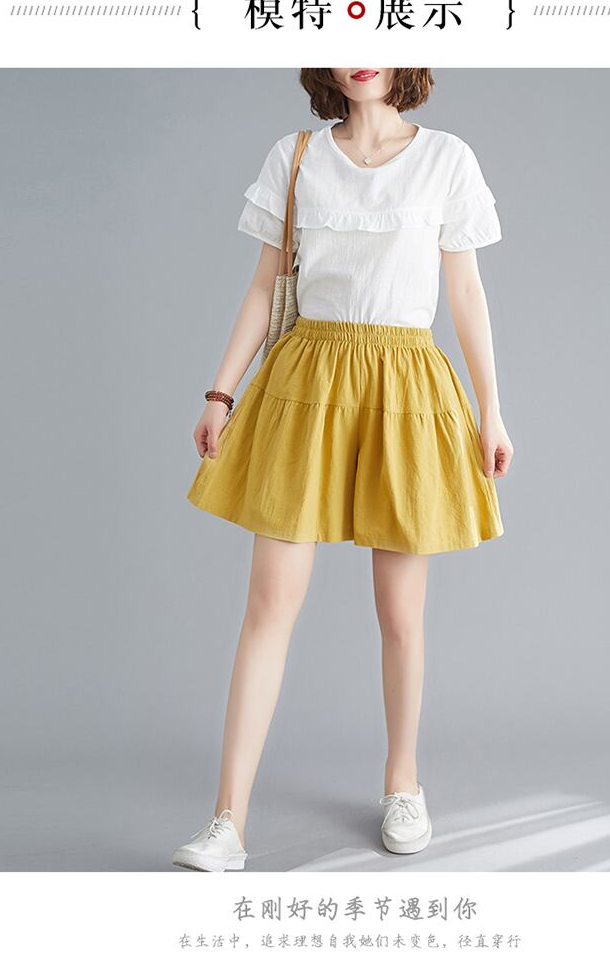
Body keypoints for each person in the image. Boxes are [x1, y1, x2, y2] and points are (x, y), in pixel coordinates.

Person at [171, 68, 514, 872]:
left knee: (400, 612)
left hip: (405, 385)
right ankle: (227, 819)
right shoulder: (296, 158)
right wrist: (221, 391)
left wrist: (492, 408)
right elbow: (265, 284)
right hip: (308, 382)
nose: (361, 54)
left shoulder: (447, 158)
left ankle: (403, 783)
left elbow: (466, 291)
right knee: (268, 606)